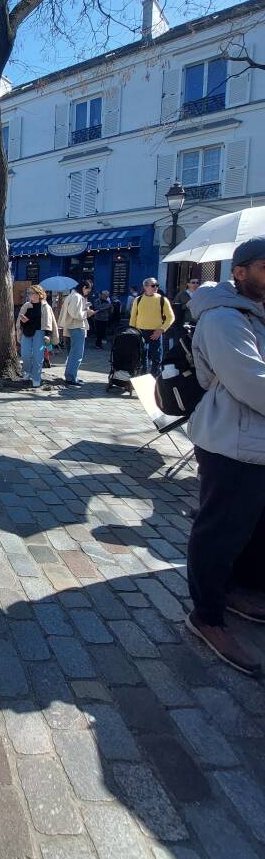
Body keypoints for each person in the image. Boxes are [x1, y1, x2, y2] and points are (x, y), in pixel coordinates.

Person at [184, 238, 265, 676]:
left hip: (258, 442)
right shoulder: (223, 319)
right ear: (240, 272)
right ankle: (207, 615)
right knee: (219, 530)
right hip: (229, 441)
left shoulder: (256, 315)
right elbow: (252, 381)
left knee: (254, 529)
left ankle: (239, 590)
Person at [129, 277, 174, 377]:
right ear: (145, 287)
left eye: (157, 285)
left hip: (156, 331)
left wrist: (161, 330)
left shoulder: (162, 299)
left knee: (156, 357)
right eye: (153, 285)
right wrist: (132, 331)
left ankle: (155, 378)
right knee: (141, 355)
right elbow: (133, 317)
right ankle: (142, 375)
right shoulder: (138, 299)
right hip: (140, 331)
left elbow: (171, 317)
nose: (156, 287)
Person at [16, 285, 59, 388]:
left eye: (31, 293)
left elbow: (49, 322)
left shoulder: (45, 306)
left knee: (38, 356)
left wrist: (48, 335)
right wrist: (23, 322)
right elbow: (19, 322)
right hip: (27, 332)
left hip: (40, 333)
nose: (29, 295)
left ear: (39, 294)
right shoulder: (26, 305)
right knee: (25, 354)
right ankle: (27, 371)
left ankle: (36, 378)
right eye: (29, 293)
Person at [58, 281, 94, 386]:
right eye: (88, 290)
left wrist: (85, 305)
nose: (88, 293)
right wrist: (88, 313)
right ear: (84, 287)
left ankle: (71, 376)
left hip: (69, 327)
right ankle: (71, 378)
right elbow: (76, 313)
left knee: (72, 354)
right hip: (76, 327)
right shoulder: (77, 297)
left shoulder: (72, 296)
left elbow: (73, 311)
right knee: (76, 354)